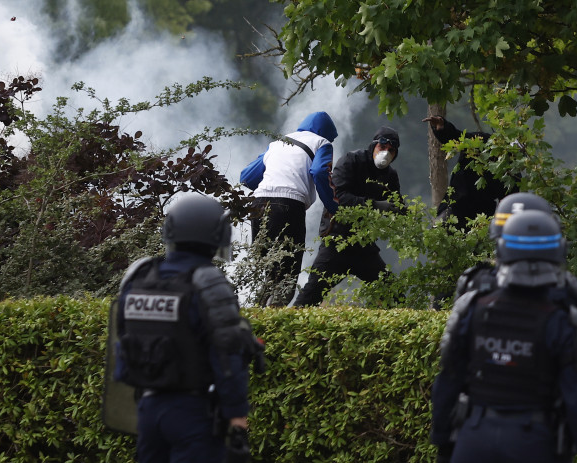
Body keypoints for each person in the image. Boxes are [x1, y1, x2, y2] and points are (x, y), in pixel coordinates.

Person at [431, 209, 577, 463]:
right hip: (534, 442)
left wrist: (443, 446)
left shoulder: (473, 306)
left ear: (502, 249)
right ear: (557, 252)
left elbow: (447, 381)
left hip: (474, 439)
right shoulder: (563, 317)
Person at [113, 193, 264, 463]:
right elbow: (228, 356)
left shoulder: (139, 276)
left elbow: (122, 343)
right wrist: (238, 420)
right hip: (193, 414)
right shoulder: (208, 283)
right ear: (217, 233)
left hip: (146, 412)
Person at [293, 126, 402, 307]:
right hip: (337, 241)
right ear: (373, 146)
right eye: (382, 148)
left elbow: (396, 204)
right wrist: (374, 205)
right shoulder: (352, 161)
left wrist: (402, 212)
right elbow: (338, 197)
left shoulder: (390, 175)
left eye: (391, 151)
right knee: (309, 297)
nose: (386, 153)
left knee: (393, 295)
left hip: (364, 246)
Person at [240, 111, 339, 306]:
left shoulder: (277, 143)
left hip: (258, 206)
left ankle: (256, 320)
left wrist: (270, 188)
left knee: (270, 273)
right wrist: (333, 206)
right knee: (287, 276)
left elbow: (247, 176)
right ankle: (275, 326)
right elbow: (319, 171)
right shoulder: (322, 143)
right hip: (287, 206)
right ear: (327, 133)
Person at [423, 115, 518, 229]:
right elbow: (456, 138)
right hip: (455, 205)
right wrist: (443, 126)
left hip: (481, 218)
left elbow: (508, 204)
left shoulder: (512, 173)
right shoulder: (481, 141)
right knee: (439, 233)